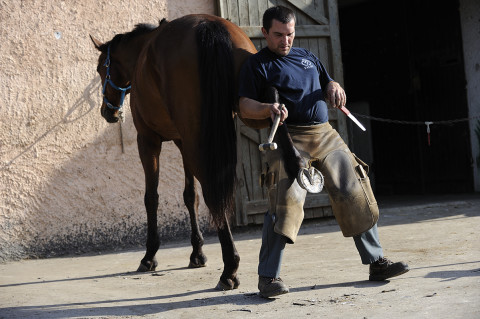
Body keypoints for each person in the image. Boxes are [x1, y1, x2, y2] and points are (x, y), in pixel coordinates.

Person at [238, 5, 409, 298]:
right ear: (265, 33)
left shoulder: (308, 57)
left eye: (289, 34)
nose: (285, 41)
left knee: (353, 187)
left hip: (324, 134)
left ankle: (376, 262)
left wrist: (334, 86)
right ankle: (268, 278)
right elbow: (243, 105)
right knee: (285, 200)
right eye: (278, 35)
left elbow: (327, 81)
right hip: (287, 138)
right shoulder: (257, 65)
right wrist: (268, 108)